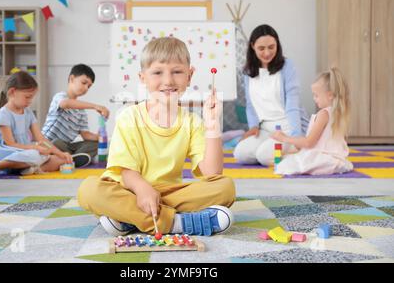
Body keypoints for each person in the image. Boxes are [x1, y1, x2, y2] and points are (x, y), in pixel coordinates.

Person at [77, 37, 235, 236]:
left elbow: (212, 173)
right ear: (143, 77)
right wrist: (143, 190)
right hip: (130, 189)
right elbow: (126, 171)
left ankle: (131, 219)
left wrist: (212, 125)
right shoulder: (129, 116)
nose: (168, 81)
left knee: (225, 187)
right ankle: (178, 224)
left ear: (190, 75)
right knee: (89, 189)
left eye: (177, 72)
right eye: (158, 72)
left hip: (169, 193)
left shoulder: (193, 122)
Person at [233, 24, 307, 166]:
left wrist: (296, 137)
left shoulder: (287, 67)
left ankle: (295, 150)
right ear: (253, 46)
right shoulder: (248, 72)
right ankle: (269, 149)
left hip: (287, 129)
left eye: (271, 47)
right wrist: (253, 126)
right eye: (261, 48)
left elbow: (293, 104)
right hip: (265, 129)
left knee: (264, 157)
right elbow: (250, 104)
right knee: (240, 154)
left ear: (277, 45)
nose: (267, 53)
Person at [0, 71, 72, 176]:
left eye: (32, 98)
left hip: (26, 152)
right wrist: (35, 148)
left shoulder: (28, 112)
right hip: (9, 153)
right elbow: (11, 144)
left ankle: (28, 169)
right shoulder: (3, 114)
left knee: (59, 159)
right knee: (35, 155)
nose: (30, 101)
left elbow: (41, 139)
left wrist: (60, 153)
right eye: (27, 97)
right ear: (12, 92)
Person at [271, 68, 353, 175]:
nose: (314, 99)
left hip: (324, 158)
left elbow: (308, 143)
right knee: (291, 158)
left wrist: (284, 138)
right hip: (337, 160)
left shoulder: (323, 114)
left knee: (285, 165)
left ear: (330, 95)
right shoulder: (336, 114)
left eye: (316, 95)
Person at [42, 64, 110, 168]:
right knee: (56, 142)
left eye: (89, 86)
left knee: (94, 145)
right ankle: (67, 158)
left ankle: (69, 158)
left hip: (66, 147)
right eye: (84, 83)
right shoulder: (60, 96)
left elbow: (86, 135)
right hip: (49, 143)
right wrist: (95, 106)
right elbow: (65, 104)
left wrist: (100, 138)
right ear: (71, 79)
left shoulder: (81, 111)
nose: (86, 88)